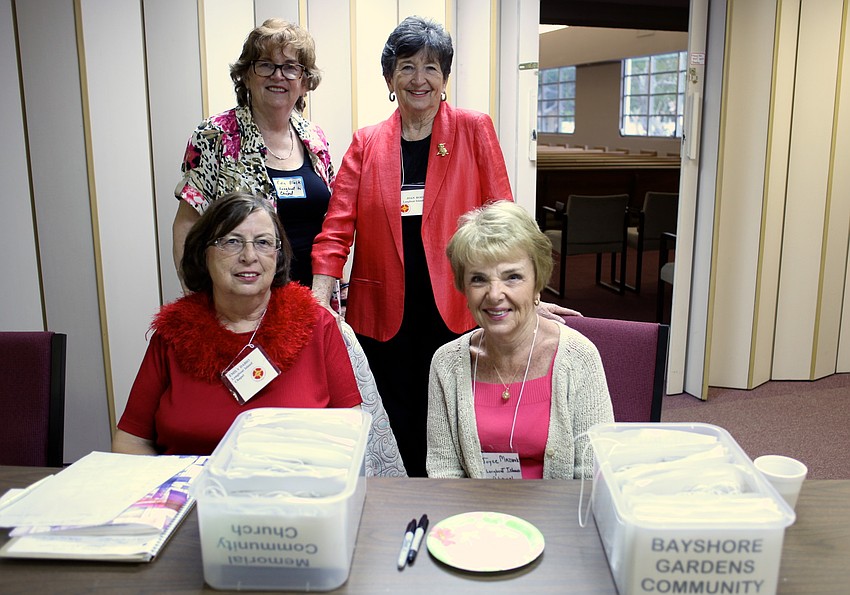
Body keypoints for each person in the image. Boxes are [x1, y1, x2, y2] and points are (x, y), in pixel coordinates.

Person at [311, 17, 575, 476]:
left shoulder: (474, 130)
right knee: (396, 415)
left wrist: (527, 296)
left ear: (445, 78)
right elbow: (336, 228)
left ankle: (457, 502)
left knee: (456, 412)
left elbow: (506, 222)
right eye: (407, 66)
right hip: (383, 309)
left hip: (455, 302)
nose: (419, 79)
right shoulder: (367, 142)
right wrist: (318, 300)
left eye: (431, 68)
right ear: (389, 77)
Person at [114, 192, 361, 455]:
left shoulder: (316, 324)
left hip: (291, 490)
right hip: (192, 492)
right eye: (232, 242)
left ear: (278, 256)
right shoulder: (173, 334)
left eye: (264, 242)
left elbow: (351, 432)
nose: (249, 256)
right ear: (203, 253)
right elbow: (131, 440)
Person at [427, 201, 614, 479]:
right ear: (463, 288)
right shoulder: (446, 364)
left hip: (559, 516)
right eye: (479, 279)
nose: (494, 294)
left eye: (512, 277)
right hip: (477, 517)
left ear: (538, 281)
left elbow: (593, 474)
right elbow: (444, 472)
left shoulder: (578, 357)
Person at [173, 18, 333, 289]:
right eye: (266, 64)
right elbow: (187, 225)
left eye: (291, 67)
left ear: (305, 82)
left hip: (311, 301)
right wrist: (196, 301)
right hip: (240, 304)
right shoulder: (214, 135)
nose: (278, 75)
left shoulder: (315, 139)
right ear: (246, 75)